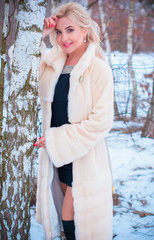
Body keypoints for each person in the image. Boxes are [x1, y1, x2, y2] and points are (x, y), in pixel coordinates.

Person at [34, 2, 114, 240]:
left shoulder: (98, 69)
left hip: (83, 154)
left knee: (73, 218)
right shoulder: (53, 64)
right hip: (57, 156)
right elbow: (21, 66)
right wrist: (42, 35)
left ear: (84, 30)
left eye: (70, 30)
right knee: (64, 218)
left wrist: (56, 139)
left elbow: (101, 121)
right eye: (59, 32)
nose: (63, 38)